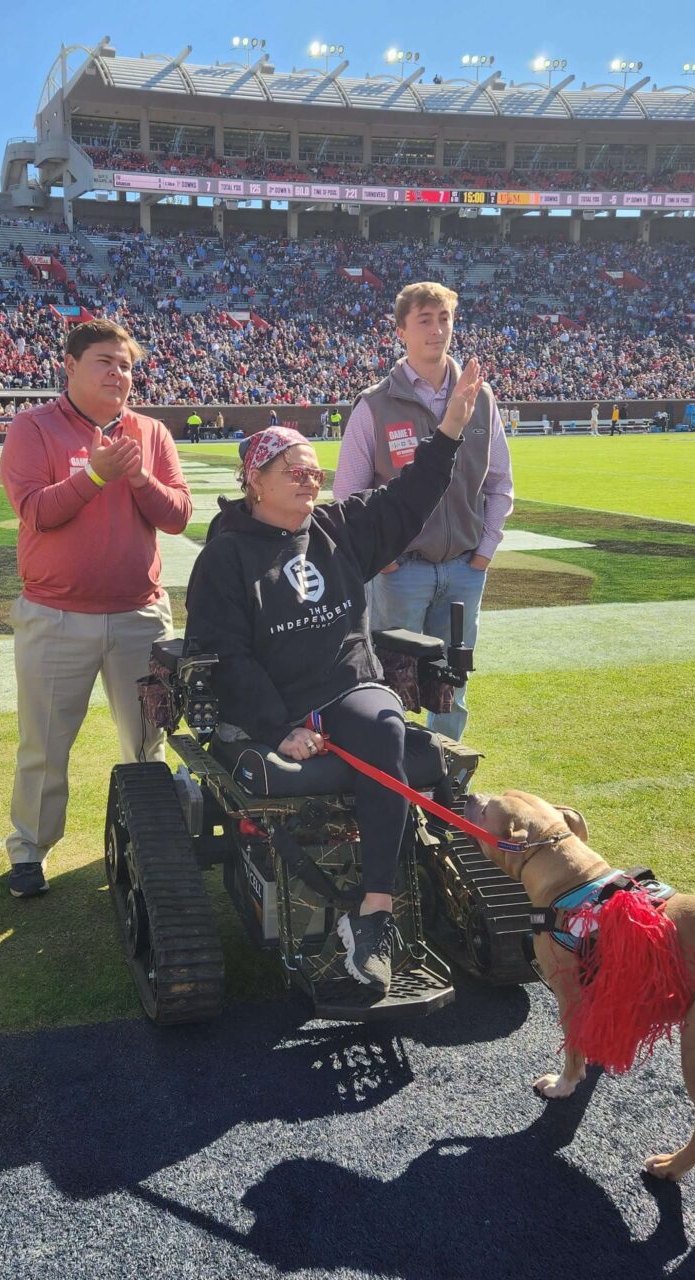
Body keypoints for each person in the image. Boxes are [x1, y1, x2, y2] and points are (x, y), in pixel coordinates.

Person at [185, 367, 481, 995]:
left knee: (384, 725)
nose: (310, 479)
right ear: (254, 481)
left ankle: (371, 914)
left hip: (348, 687)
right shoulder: (225, 557)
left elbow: (408, 497)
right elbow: (227, 655)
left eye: (315, 470)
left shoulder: (339, 528)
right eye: (294, 471)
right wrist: (279, 728)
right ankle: (364, 909)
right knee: (379, 736)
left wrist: (450, 429)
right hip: (279, 706)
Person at [0, 318, 191, 899]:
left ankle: (150, 841)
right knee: (46, 742)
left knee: (147, 741)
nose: (119, 373)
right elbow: (36, 511)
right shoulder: (33, 427)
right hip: (56, 616)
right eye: (105, 361)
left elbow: (178, 515)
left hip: (138, 613)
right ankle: (29, 850)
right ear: (71, 366)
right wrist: (97, 475)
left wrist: (136, 479)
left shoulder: (151, 432)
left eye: (127, 364)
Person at [332, 281, 513, 742]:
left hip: (464, 569)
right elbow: (349, 494)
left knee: (454, 685)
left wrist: (485, 551)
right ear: (401, 331)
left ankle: (445, 786)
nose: (436, 330)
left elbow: (499, 483)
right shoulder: (375, 403)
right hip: (400, 573)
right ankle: (392, 781)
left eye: (444, 319)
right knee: (388, 683)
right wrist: (385, 557)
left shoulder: (482, 398)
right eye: (424, 321)